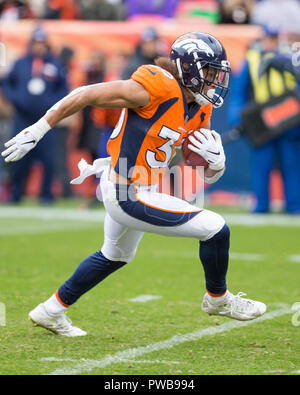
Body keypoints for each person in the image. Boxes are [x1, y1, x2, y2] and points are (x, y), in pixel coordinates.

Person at [2, 32, 266, 337]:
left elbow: (197, 167)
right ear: (188, 70)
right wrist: (39, 128)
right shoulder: (156, 87)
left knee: (114, 255)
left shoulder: (201, 107)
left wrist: (216, 165)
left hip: (142, 188)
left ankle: (50, 311)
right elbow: (86, 93)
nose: (214, 81)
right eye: (209, 73)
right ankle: (217, 299)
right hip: (126, 190)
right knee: (216, 227)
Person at [229, 26, 300, 213]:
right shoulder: (252, 59)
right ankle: (261, 205)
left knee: (291, 164)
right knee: (262, 165)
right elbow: (239, 92)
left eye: (275, 39)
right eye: (269, 39)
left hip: (289, 120)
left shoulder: (292, 57)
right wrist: (237, 118)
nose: (272, 43)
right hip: (262, 121)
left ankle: (294, 205)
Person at [1, 26, 69, 204]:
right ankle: (16, 194)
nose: (39, 46)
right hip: (22, 118)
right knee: (19, 157)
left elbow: (64, 89)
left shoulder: (55, 64)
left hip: (46, 120)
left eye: (42, 43)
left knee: (48, 159)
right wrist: (16, 99)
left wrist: (51, 103)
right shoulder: (21, 63)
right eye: (36, 43)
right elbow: (7, 83)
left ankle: (46, 195)